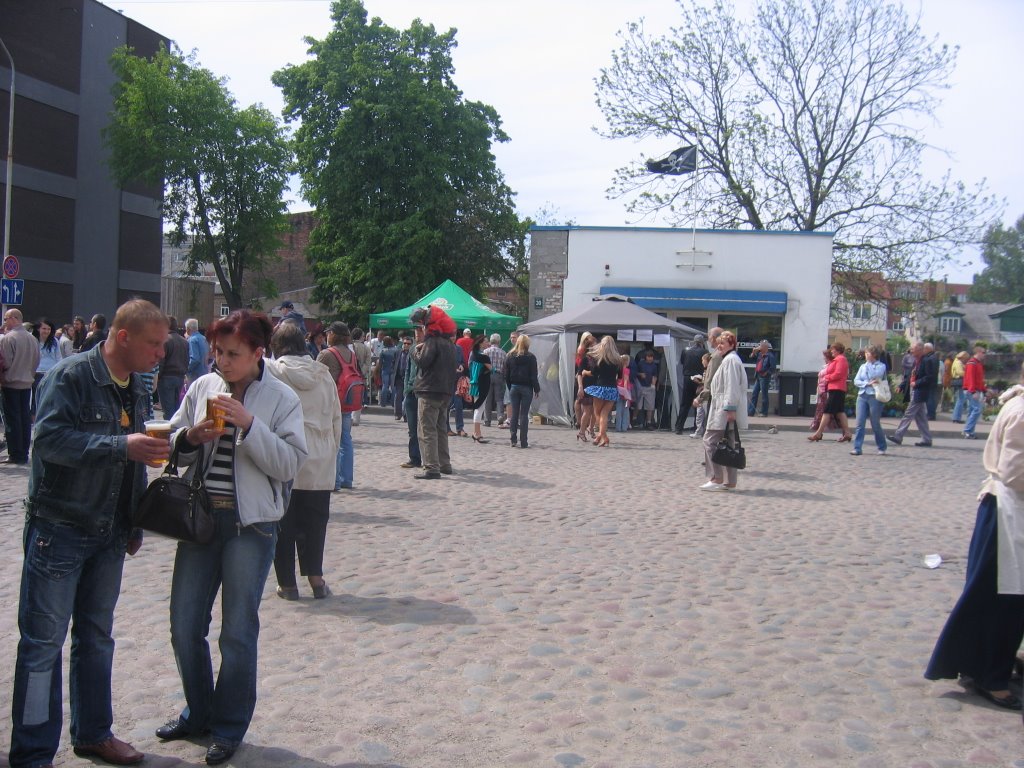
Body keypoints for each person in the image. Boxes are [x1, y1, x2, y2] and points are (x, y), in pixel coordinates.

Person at [10, 299, 170, 768]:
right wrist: (122, 446)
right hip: (60, 528)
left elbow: (135, 456)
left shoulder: (137, 385)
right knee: (42, 645)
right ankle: (34, 753)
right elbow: (49, 442)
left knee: (97, 638)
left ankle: (93, 733)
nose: (162, 352)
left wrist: (135, 518)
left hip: (109, 531)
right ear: (123, 337)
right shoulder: (73, 376)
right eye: (154, 344)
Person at [159, 309, 306, 766]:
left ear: (258, 353)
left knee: (237, 634)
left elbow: (289, 464)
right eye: (219, 352)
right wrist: (190, 437)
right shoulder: (204, 386)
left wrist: (249, 425)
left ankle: (228, 726)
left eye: (233, 354)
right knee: (184, 625)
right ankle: (198, 712)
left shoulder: (281, 398)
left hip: (251, 527)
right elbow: (173, 439)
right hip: (200, 519)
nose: (222, 361)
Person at [924, 362, 1024, 711]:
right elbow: (1016, 472)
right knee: (1001, 599)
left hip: (1007, 511)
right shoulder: (1022, 411)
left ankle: (990, 663)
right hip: (1009, 512)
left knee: (1001, 597)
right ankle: (988, 674)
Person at [267, 322, 342, 601]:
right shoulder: (322, 374)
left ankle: (287, 584)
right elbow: (335, 417)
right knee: (315, 520)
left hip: (286, 452)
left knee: (284, 521)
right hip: (320, 454)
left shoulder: (274, 372)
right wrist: (331, 451)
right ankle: (316, 578)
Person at [411, 305, 459, 480]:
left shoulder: (432, 342)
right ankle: (444, 464)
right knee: (440, 429)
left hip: (429, 390)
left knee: (427, 430)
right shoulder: (450, 345)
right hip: (445, 392)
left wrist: (415, 352)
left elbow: (423, 362)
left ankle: (431, 467)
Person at [700, 330, 748, 491]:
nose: (719, 346)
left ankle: (717, 477)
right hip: (722, 406)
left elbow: (731, 386)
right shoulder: (729, 359)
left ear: (732, 345)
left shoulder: (730, 361)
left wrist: (730, 408)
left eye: (723, 343)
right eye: (718, 343)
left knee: (710, 440)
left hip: (723, 408)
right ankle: (729, 480)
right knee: (729, 443)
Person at [316, 322, 356, 490]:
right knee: (346, 439)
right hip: (347, 400)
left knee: (333, 441)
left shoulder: (326, 354)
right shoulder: (351, 353)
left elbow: (315, 376)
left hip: (330, 401)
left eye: (328, 332)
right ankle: (346, 478)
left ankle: (334, 480)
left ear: (333, 334)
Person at [1, 308, 41, 464]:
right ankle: (23, 451)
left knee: (12, 420)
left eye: (6, 318)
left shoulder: (8, 338)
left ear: (13, 318)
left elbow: (6, 363)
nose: (4, 322)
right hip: (27, 383)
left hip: (11, 383)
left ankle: (15, 453)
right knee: (24, 418)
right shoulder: (32, 339)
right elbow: (36, 361)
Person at [889, 341, 935, 448]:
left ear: (920, 349)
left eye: (913, 349)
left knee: (908, 414)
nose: (911, 350)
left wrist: (916, 383)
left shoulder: (926, 361)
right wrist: (902, 385)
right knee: (921, 417)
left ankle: (898, 436)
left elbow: (929, 377)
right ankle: (927, 439)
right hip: (915, 390)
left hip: (920, 391)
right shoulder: (916, 361)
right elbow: (910, 375)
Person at [581, 335, 624, 447]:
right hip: (612, 389)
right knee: (604, 413)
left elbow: (593, 373)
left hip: (600, 388)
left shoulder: (599, 358)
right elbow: (620, 377)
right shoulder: (618, 360)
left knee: (598, 414)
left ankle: (603, 436)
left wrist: (585, 372)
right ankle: (601, 436)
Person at [808, 342, 852, 443]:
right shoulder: (837, 360)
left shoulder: (840, 359)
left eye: (833, 349)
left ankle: (818, 433)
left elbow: (838, 374)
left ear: (837, 350)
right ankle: (847, 433)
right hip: (835, 388)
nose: (831, 351)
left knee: (827, 411)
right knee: (840, 412)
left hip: (837, 388)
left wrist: (827, 378)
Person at [849, 344, 888, 456]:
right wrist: (866, 383)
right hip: (862, 395)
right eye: (865, 353)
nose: (865, 355)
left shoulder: (881, 366)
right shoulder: (862, 366)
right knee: (859, 423)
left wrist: (870, 364)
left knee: (875, 423)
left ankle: (882, 446)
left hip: (875, 396)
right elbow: (856, 381)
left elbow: (874, 376)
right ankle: (857, 448)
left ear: (874, 354)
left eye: (867, 353)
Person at [505, 333, 541, 448]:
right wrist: (536, 389)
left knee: (514, 414)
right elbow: (533, 376)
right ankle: (524, 441)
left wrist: (510, 386)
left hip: (514, 386)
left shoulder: (510, 356)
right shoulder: (531, 357)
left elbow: (506, 374)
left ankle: (513, 439)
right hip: (527, 387)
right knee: (524, 414)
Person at [694, 327, 724, 439]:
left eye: (709, 338)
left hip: (715, 396)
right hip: (716, 395)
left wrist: (700, 397)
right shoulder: (718, 354)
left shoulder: (717, 356)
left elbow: (711, 380)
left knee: (711, 434)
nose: (708, 340)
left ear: (714, 338)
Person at [159, 315, 190, 420]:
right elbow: (187, 360)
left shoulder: (165, 340)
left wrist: (158, 376)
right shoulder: (185, 341)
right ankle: (176, 431)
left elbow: (161, 361)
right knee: (177, 409)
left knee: (168, 410)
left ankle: (169, 433)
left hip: (166, 377)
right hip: (180, 377)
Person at [675, 334, 706, 434]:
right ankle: (696, 426)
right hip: (699, 379)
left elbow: (683, 362)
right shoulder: (705, 352)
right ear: (702, 342)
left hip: (687, 378)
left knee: (685, 404)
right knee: (699, 403)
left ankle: (679, 427)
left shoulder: (686, 350)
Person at [400, 330, 422, 468]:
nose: (417, 334)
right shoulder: (413, 349)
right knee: (412, 428)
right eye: (416, 331)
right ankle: (414, 458)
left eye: (420, 330)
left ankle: (429, 459)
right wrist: (406, 388)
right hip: (410, 391)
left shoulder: (429, 348)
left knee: (425, 429)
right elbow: (408, 369)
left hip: (424, 392)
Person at [32, 318, 63, 417]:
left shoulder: (54, 341)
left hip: (50, 373)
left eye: (48, 329)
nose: (46, 331)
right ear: (38, 329)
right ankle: (35, 418)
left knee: (48, 397)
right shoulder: (32, 339)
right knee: (35, 399)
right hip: (36, 372)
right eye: (44, 328)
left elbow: (59, 357)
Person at [469, 335, 492, 443]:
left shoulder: (473, 354)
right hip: (482, 385)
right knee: (479, 409)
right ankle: (477, 433)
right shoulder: (484, 357)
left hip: (474, 385)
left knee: (477, 409)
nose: (488, 343)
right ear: (480, 343)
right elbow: (492, 369)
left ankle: (476, 432)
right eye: (486, 341)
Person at [574, 332, 597, 441]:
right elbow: (579, 374)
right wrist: (580, 387)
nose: (596, 346)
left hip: (597, 386)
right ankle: (581, 431)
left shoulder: (598, 358)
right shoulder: (585, 359)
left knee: (595, 412)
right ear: (589, 347)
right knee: (588, 411)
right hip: (587, 386)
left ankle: (591, 429)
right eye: (593, 345)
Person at [962, 345, 987, 440]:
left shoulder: (977, 363)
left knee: (972, 411)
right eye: (983, 352)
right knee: (977, 410)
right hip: (972, 390)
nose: (984, 355)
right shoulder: (972, 363)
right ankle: (967, 430)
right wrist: (973, 391)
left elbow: (979, 379)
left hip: (975, 389)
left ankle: (970, 432)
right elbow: (970, 378)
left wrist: (984, 390)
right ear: (978, 352)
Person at [748, 339, 777, 417]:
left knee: (764, 395)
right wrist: (753, 352)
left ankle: (764, 412)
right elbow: (751, 358)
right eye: (759, 345)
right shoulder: (760, 354)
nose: (759, 347)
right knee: (754, 393)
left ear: (765, 347)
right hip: (758, 376)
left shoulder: (770, 356)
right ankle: (750, 412)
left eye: (761, 345)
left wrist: (766, 373)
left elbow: (773, 367)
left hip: (764, 377)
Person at [483, 333, 507, 427]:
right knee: (499, 398)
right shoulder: (503, 353)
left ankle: (487, 420)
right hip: (499, 376)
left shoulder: (485, 351)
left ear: (490, 341)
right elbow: (505, 367)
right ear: (499, 341)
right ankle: (500, 416)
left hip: (487, 375)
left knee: (487, 399)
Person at [634, 348, 659, 429]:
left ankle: (649, 422)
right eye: (648, 356)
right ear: (645, 357)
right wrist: (640, 374)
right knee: (638, 405)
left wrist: (653, 385)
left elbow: (655, 376)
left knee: (650, 406)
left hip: (649, 387)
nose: (650, 358)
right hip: (641, 386)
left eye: (651, 357)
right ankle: (634, 419)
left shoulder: (654, 366)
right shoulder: (641, 363)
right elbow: (635, 373)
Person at [393, 334, 413, 421]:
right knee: (398, 396)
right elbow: (394, 364)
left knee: (407, 397)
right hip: (399, 378)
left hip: (408, 379)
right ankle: (398, 414)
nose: (406, 345)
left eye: (408, 344)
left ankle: (406, 415)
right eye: (405, 343)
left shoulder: (413, 354)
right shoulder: (398, 352)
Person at [185, 318, 210, 385]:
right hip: (204, 373)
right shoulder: (204, 339)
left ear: (188, 328)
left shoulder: (192, 340)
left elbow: (195, 359)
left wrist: (186, 369)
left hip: (194, 375)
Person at [378, 336, 399, 408]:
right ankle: (393, 403)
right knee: (393, 387)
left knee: (385, 386)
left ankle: (383, 403)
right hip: (393, 370)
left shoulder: (383, 350)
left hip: (385, 370)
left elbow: (380, 363)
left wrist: (378, 371)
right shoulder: (396, 350)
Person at [951, 350, 969, 423]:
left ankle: (956, 417)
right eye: (966, 358)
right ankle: (956, 418)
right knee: (960, 400)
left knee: (960, 400)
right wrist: (968, 374)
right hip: (960, 382)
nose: (966, 360)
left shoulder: (956, 361)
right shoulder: (958, 362)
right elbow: (960, 372)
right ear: (963, 357)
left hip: (958, 381)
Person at [923, 342, 940, 420]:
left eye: (924, 349)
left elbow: (930, 371)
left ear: (927, 349)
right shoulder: (934, 357)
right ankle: (931, 414)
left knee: (930, 399)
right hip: (933, 381)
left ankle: (930, 415)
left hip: (930, 382)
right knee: (931, 398)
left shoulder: (930, 358)